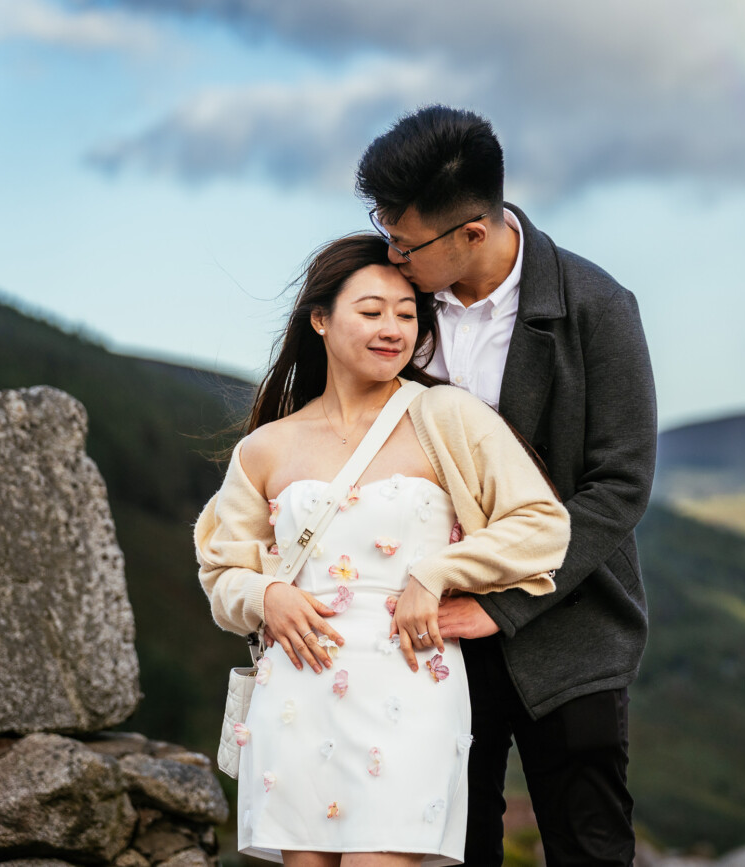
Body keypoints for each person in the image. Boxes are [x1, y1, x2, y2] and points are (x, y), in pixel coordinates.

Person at [194, 233, 570, 866]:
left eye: (407, 314)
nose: (392, 329)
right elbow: (221, 570)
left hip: (410, 683)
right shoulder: (265, 447)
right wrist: (267, 594)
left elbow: (542, 524)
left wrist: (437, 572)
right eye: (371, 311)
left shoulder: (447, 416)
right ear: (320, 319)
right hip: (297, 691)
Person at [355, 106, 657, 866]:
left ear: (472, 233)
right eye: (384, 230)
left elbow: (619, 486)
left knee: (589, 850)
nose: (390, 253)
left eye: (405, 241)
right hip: (428, 632)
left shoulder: (597, 307)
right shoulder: (392, 305)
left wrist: (503, 603)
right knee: (447, 852)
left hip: (571, 627)